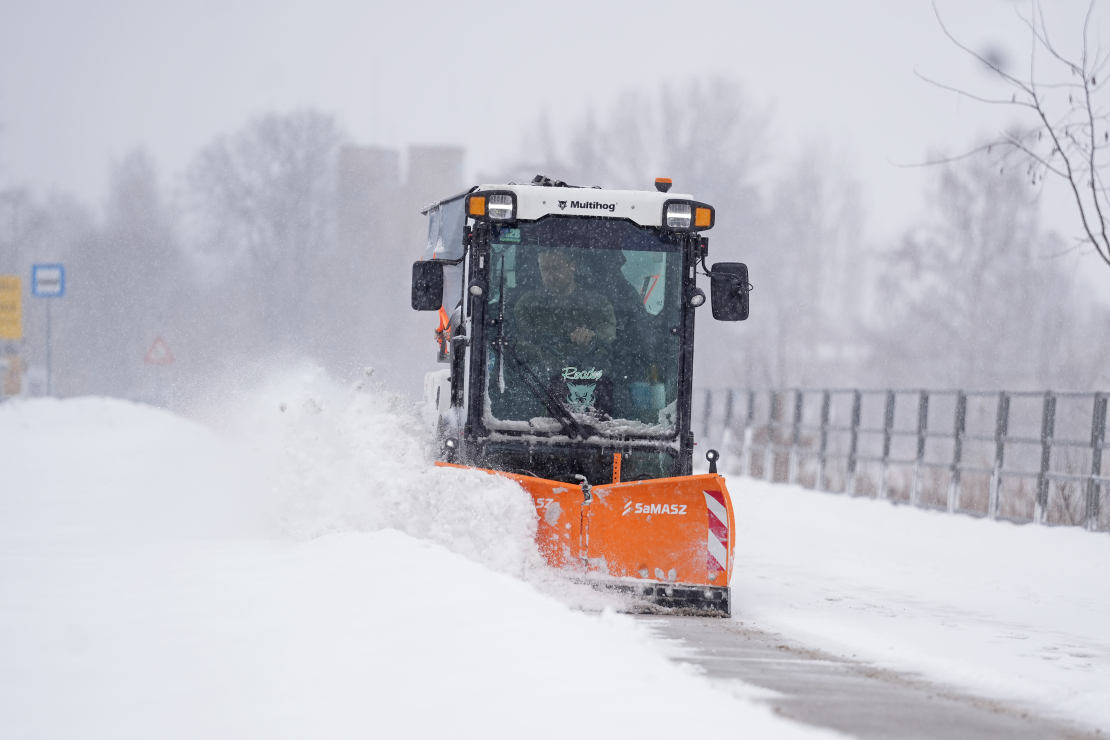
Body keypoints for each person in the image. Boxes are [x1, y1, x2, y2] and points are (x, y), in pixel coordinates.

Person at [513, 248, 616, 378]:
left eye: (556, 268)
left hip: (587, 376)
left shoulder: (597, 303)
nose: (550, 276)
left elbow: (608, 331)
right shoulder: (527, 303)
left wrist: (591, 335)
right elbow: (518, 342)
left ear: (572, 267)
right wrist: (541, 352)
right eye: (545, 269)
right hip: (540, 382)